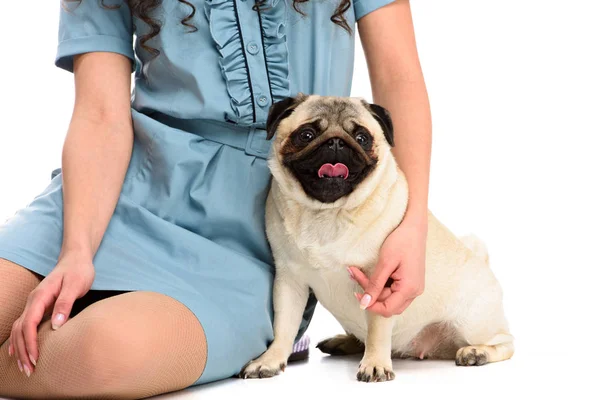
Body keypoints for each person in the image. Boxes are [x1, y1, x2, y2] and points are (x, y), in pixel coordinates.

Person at [0, 0, 431, 398]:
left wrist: (411, 226)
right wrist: (77, 249)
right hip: (116, 189)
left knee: (101, 353)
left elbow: (399, 78)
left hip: (267, 223)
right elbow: (99, 115)